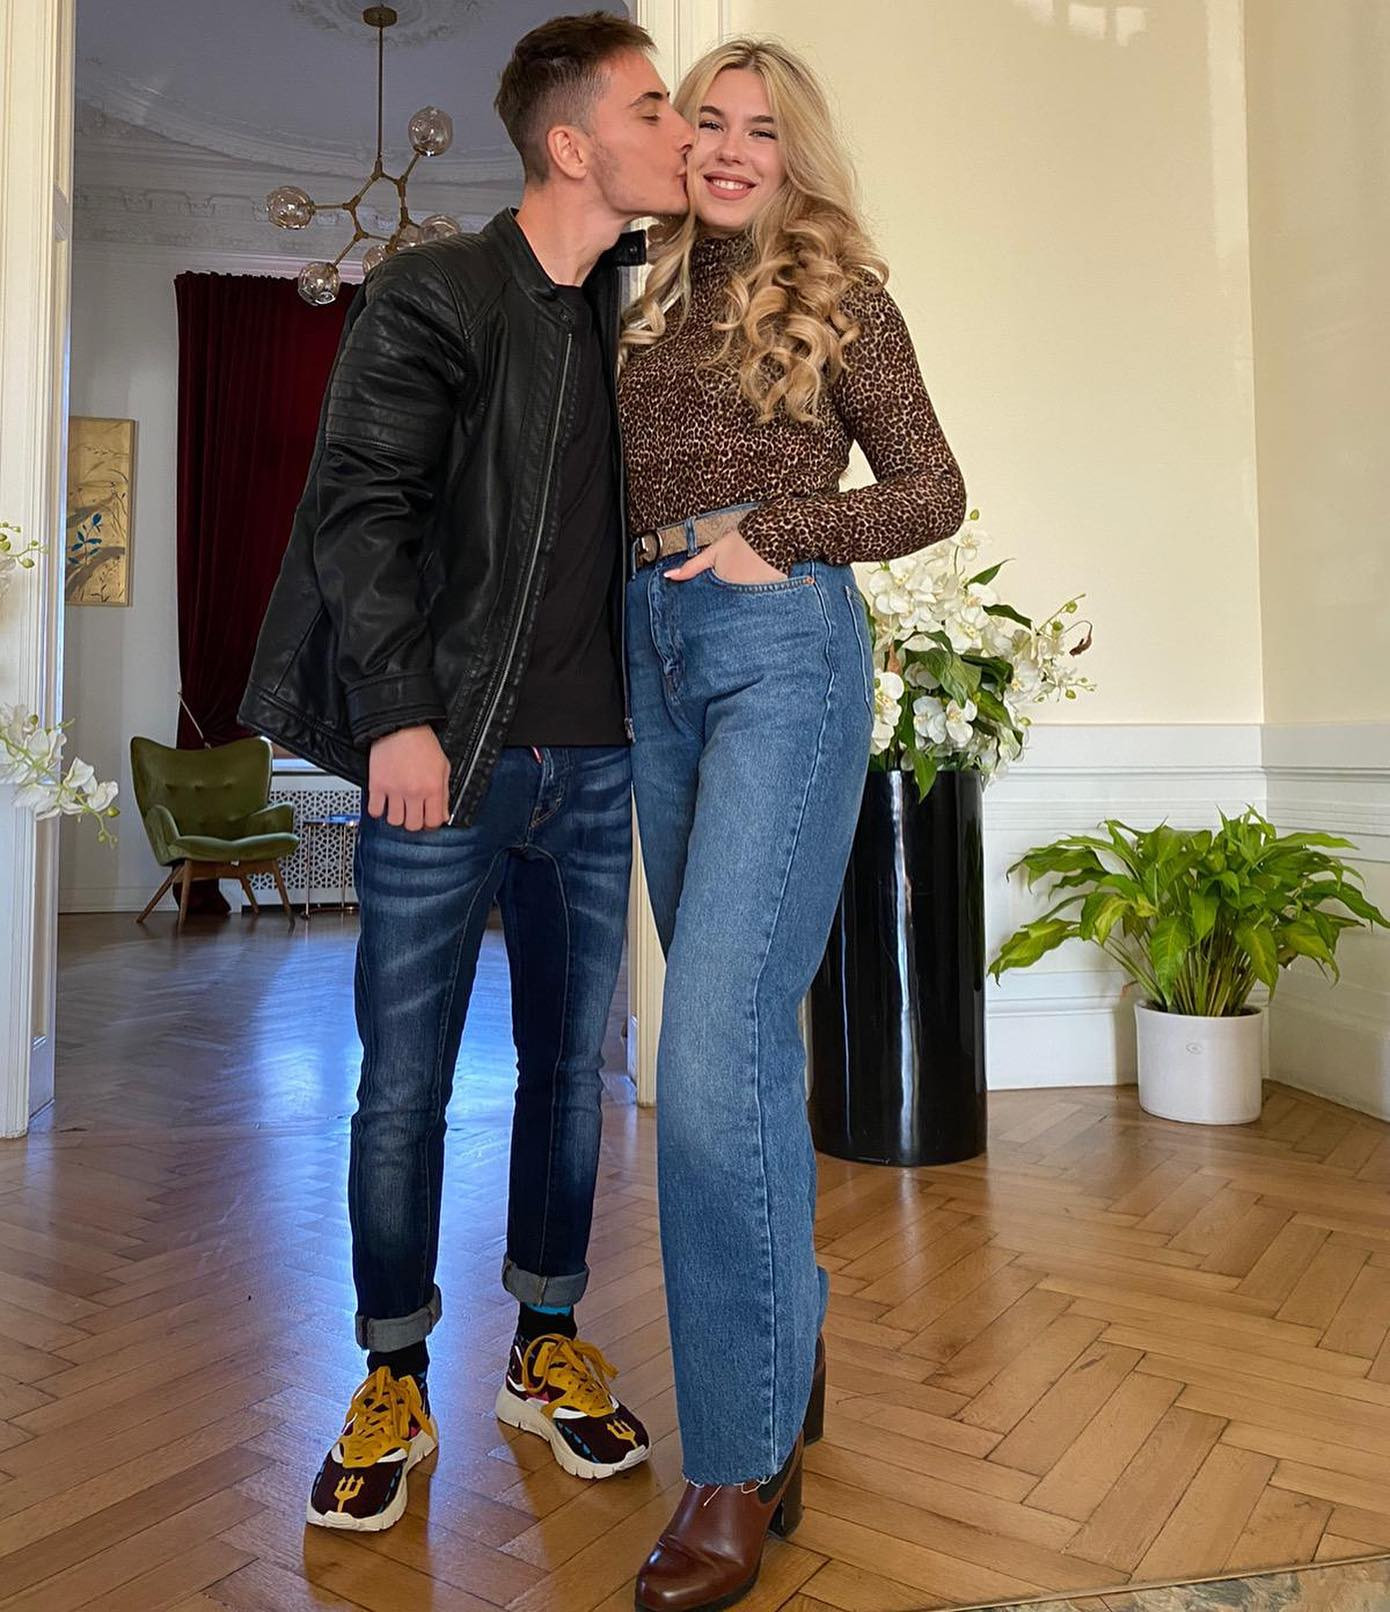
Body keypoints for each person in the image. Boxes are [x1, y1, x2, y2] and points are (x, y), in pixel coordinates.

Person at [239, 12, 693, 1533]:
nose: (678, 131)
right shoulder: (437, 291)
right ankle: (393, 1370)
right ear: (570, 144)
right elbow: (361, 510)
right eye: (651, 108)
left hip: (600, 759)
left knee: (570, 1075)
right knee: (405, 1085)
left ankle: (545, 1343)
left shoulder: (642, 314)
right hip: (453, 752)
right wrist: (399, 718)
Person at [617, 38, 966, 1609]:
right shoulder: (634, 302)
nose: (729, 147)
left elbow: (931, 489)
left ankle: (736, 1464)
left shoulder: (840, 298)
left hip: (779, 653)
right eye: (707, 120)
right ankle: (784, 1350)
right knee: (737, 1048)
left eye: (761, 129)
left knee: (706, 1050)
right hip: (648, 658)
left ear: (793, 153)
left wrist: (778, 534)